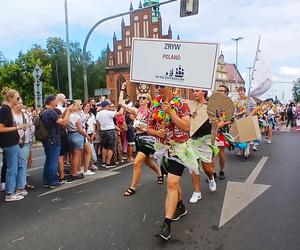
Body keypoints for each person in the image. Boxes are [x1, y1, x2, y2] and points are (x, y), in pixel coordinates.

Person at [147, 85, 191, 241]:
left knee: (171, 183)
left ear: (171, 86)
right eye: (157, 86)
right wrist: (156, 132)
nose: (158, 88)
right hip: (162, 150)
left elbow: (186, 127)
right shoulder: (155, 103)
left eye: (161, 86)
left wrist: (171, 112)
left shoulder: (181, 103)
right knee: (174, 183)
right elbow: (149, 128)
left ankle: (166, 225)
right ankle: (180, 205)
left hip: (179, 148)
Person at [121, 90, 163, 196]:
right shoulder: (136, 111)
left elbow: (155, 127)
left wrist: (142, 126)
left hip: (149, 139)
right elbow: (121, 103)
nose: (140, 99)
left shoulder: (152, 112)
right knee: (147, 161)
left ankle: (133, 187)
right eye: (139, 98)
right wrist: (122, 89)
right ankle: (159, 173)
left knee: (137, 162)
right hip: (139, 139)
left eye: (143, 98)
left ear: (148, 100)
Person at [186, 89, 217, 204]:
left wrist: (217, 122)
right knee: (193, 166)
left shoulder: (210, 106)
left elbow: (221, 120)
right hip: (192, 140)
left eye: (197, 91)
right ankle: (197, 192)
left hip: (205, 141)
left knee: (207, 169)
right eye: (193, 91)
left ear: (204, 92)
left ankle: (210, 178)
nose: (194, 93)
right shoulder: (189, 104)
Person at [0, 88, 27, 201]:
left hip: (13, 141)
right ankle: (9, 194)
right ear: (10, 98)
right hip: (9, 143)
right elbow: (1, 128)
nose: (18, 99)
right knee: (12, 168)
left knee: (21, 163)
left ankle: (19, 188)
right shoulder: (5, 109)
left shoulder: (7, 109)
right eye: (17, 98)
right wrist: (18, 127)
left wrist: (17, 137)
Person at [41, 95, 70, 188]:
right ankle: (53, 181)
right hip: (54, 139)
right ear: (51, 102)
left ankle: (46, 180)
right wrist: (68, 111)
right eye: (55, 101)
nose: (56, 103)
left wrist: (65, 112)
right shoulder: (50, 112)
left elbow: (58, 118)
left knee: (49, 161)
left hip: (47, 139)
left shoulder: (43, 111)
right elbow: (63, 123)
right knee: (53, 161)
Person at [12, 98, 34, 196]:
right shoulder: (10, 114)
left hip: (26, 141)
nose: (21, 105)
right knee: (14, 165)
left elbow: (31, 126)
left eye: (21, 103)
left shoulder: (25, 114)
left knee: (22, 164)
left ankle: (21, 185)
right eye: (18, 103)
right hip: (13, 142)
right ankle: (15, 186)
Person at [96, 100, 124, 168]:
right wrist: (123, 106)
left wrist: (99, 131)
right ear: (106, 106)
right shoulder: (108, 112)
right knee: (111, 148)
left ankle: (103, 162)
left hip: (103, 131)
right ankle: (108, 163)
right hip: (110, 131)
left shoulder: (98, 114)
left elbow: (98, 124)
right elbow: (120, 113)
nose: (109, 106)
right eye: (108, 105)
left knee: (104, 147)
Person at [66, 100, 90, 179]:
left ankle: (73, 171)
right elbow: (80, 129)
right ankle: (74, 173)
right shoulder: (76, 116)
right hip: (77, 135)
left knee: (73, 156)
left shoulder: (68, 115)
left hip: (70, 134)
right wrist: (86, 135)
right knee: (77, 156)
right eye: (79, 104)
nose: (81, 105)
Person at [234, 87, 256, 161]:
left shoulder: (249, 99)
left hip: (247, 118)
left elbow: (254, 109)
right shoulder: (237, 100)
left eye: (241, 91)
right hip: (239, 119)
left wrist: (249, 116)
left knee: (246, 136)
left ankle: (246, 152)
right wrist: (237, 114)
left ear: (244, 91)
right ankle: (240, 151)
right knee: (239, 136)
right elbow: (235, 110)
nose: (240, 93)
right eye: (239, 91)